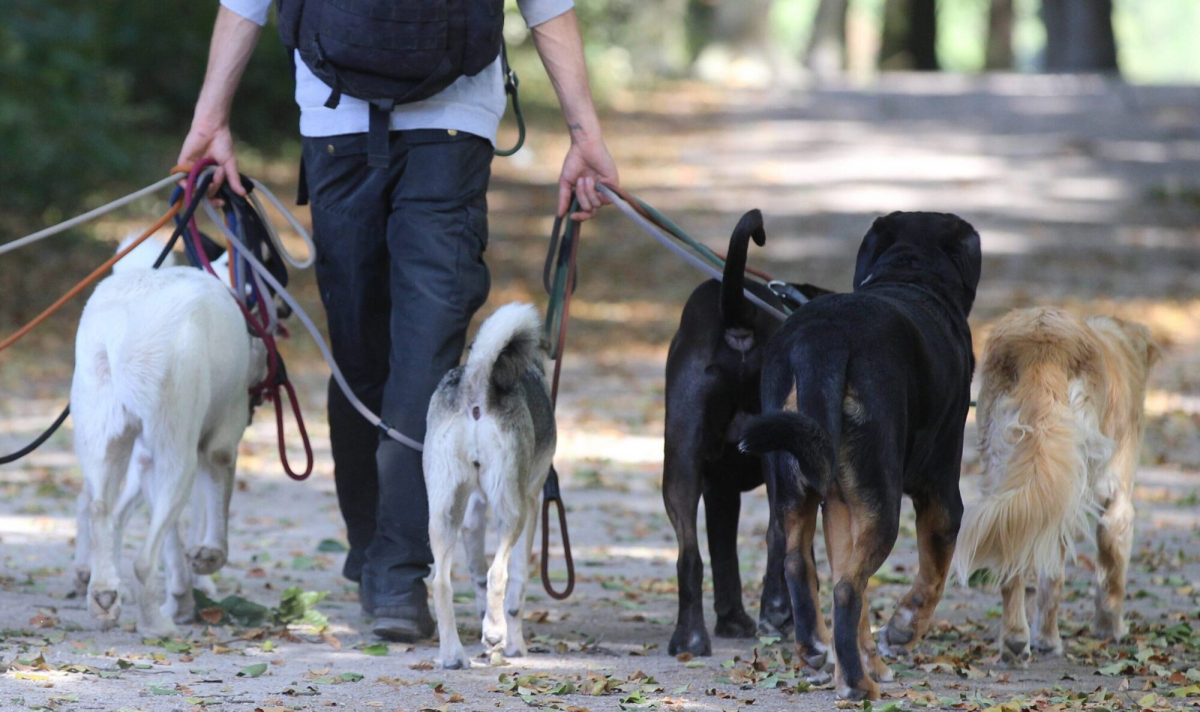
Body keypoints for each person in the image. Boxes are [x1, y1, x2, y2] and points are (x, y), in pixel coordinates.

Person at [178, 0, 618, 642]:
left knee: (358, 347)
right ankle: (394, 565)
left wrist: (210, 118)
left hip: (334, 117)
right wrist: (585, 135)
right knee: (427, 350)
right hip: (453, 122)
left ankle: (382, 554)